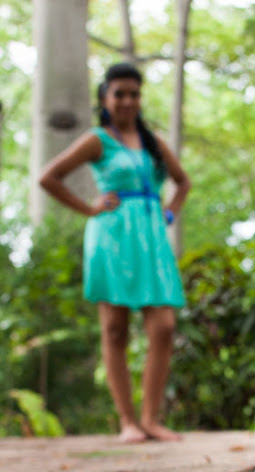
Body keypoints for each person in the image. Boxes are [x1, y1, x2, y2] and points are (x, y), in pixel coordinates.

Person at [39, 62, 191, 443]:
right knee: (115, 328)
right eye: (119, 93)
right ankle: (128, 422)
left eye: (134, 93)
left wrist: (169, 212)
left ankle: (151, 419)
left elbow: (182, 182)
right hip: (112, 238)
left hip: (151, 241)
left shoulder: (153, 142)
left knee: (163, 326)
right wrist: (89, 208)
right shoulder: (97, 140)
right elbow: (48, 177)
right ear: (105, 98)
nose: (127, 100)